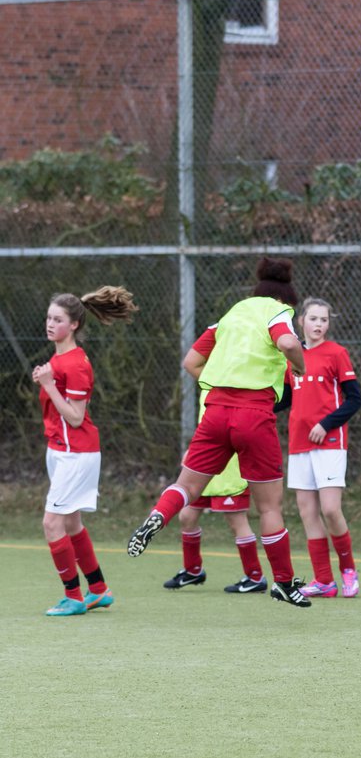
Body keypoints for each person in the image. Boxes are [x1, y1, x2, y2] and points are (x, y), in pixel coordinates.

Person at [126, 257, 312, 607]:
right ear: (288, 300)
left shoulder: (232, 314)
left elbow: (191, 361)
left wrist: (224, 385)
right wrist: (299, 367)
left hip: (214, 411)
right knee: (269, 507)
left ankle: (157, 515)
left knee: (186, 487)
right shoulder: (278, 312)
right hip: (254, 414)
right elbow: (288, 344)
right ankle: (284, 583)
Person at [35, 287, 139, 616]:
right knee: (71, 524)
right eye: (49, 317)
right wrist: (49, 380)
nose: (51, 324)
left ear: (74, 325)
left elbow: (77, 417)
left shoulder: (76, 364)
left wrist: (49, 385)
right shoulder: (59, 358)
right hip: (61, 450)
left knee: (52, 524)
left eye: (58, 319)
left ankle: (74, 597)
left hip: (76, 454)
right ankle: (98, 589)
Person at [161, 324, 268, 594]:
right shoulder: (209, 380)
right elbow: (207, 424)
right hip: (206, 463)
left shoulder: (240, 384)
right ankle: (193, 570)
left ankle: (255, 577)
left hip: (229, 466)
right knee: (187, 515)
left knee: (235, 520)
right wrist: (192, 450)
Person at [276, 297, 361, 599]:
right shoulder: (292, 356)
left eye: (323, 320)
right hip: (299, 444)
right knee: (308, 513)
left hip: (329, 442)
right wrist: (257, 407)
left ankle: (348, 570)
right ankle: (324, 581)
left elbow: (354, 399)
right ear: (301, 321)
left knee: (330, 509)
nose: (318, 325)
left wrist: (325, 424)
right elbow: (286, 400)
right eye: (313, 319)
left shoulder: (337, 353)